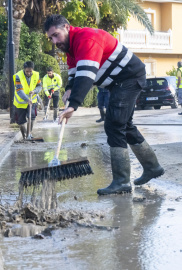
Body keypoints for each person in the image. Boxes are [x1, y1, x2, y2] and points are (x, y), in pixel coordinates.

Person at [44, 14, 164, 195]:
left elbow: (86, 75)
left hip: (129, 78)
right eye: (50, 38)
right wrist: (69, 88)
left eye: (56, 35)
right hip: (117, 83)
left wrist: (73, 105)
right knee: (125, 126)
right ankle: (152, 167)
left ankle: (122, 182)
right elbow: (75, 73)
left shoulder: (87, 39)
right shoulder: (71, 48)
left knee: (114, 125)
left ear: (67, 27)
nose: (54, 41)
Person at [13, 61, 42, 140]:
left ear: (32, 69)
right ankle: (24, 136)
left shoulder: (36, 75)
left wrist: (35, 91)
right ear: (24, 69)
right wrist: (27, 99)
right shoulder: (18, 76)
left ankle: (29, 134)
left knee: (31, 117)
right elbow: (19, 90)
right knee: (21, 121)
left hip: (32, 101)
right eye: (27, 71)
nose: (29, 73)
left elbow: (39, 86)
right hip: (20, 102)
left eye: (30, 71)